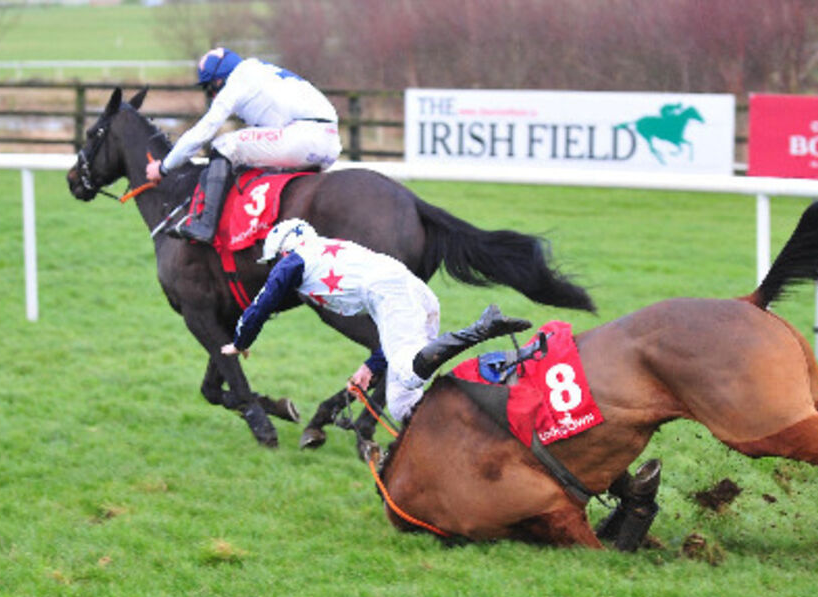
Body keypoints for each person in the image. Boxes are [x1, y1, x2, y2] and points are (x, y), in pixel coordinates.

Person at [220, 218, 531, 423]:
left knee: (408, 373)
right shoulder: (331, 249)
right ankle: (468, 416)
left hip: (391, 292)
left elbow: (262, 303)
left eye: (274, 260)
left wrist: (240, 342)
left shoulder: (295, 259)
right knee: (401, 403)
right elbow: (389, 325)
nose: (275, 267)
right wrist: (371, 367)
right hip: (408, 289)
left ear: (284, 249)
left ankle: (480, 330)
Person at [145, 47, 343, 244]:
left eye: (209, 88)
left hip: (302, 137)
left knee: (223, 145)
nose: (212, 96)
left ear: (218, 81)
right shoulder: (257, 71)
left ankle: (205, 226)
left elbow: (203, 131)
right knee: (248, 158)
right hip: (330, 143)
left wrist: (164, 167)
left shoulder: (236, 82)